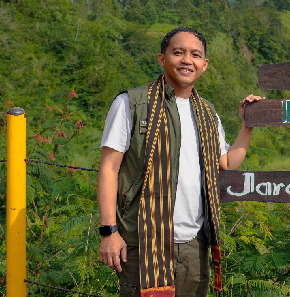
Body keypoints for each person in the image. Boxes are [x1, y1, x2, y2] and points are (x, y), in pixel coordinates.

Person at [97, 26, 263, 297]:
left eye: (195, 55)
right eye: (178, 53)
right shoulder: (131, 103)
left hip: (194, 242)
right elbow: (108, 168)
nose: (187, 60)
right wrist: (108, 232)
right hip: (143, 240)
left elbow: (227, 162)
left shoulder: (207, 112)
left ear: (204, 64)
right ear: (163, 59)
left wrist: (248, 124)